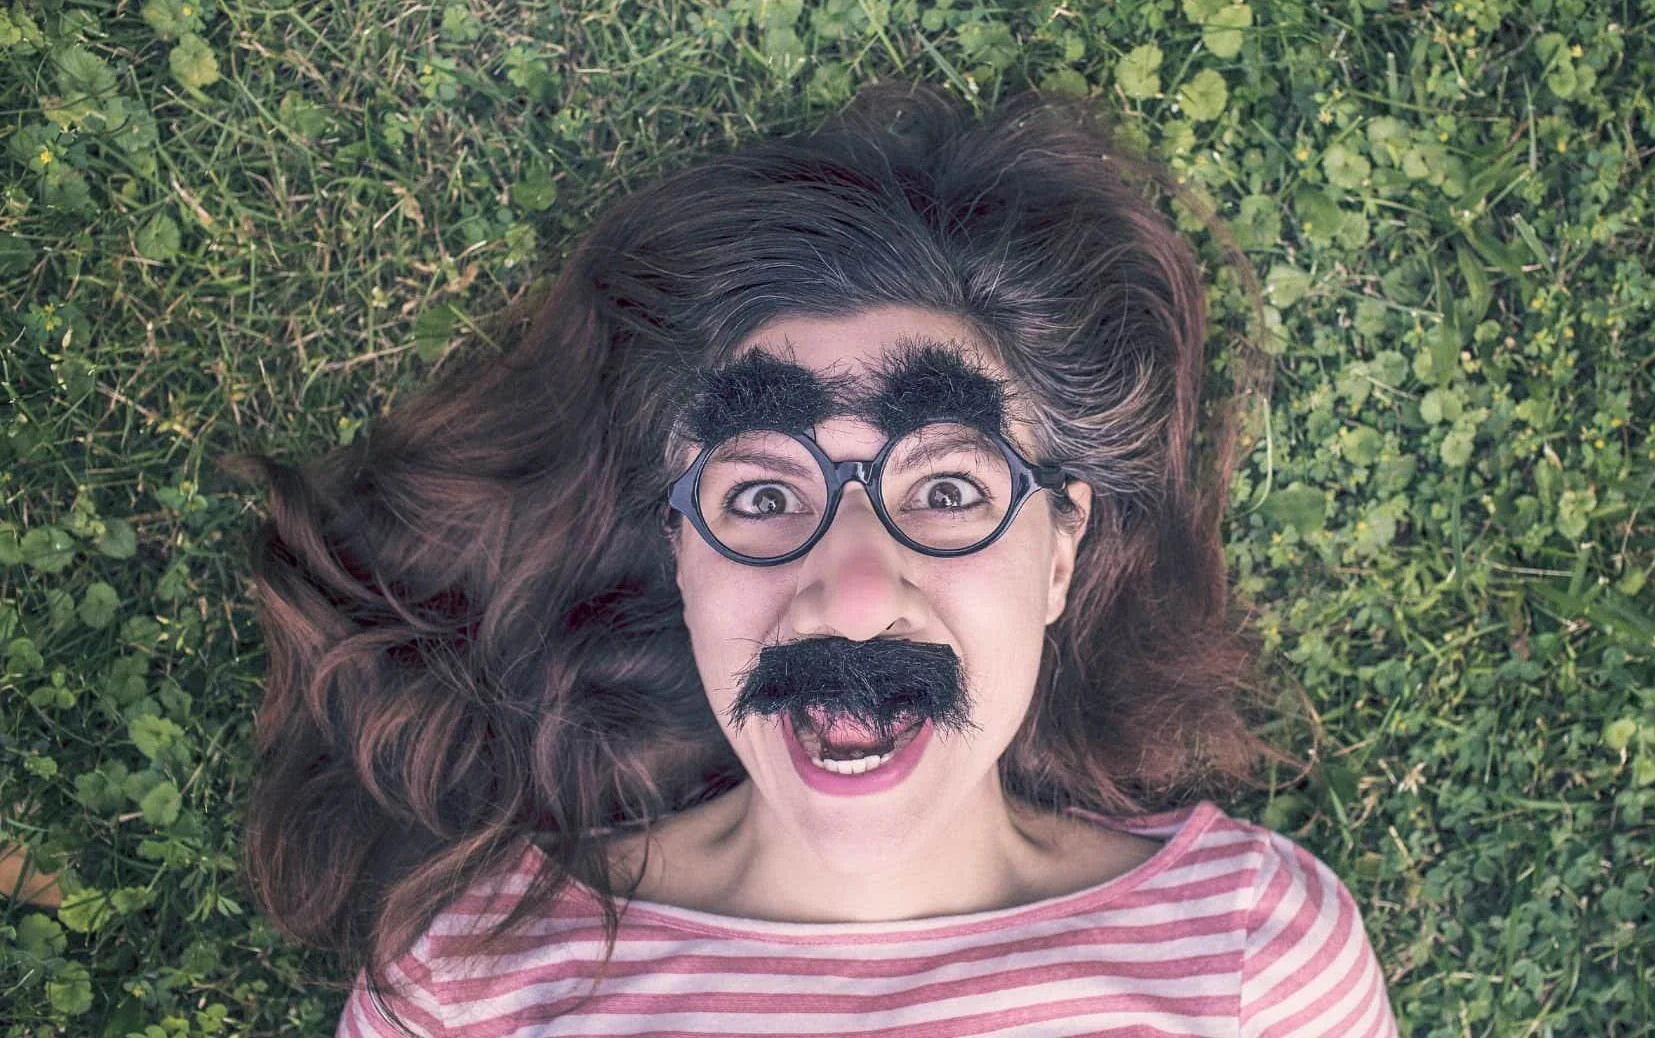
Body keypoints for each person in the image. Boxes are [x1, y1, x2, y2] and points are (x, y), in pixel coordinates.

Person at [224, 83, 1397, 1036]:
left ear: (1060, 553)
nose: (851, 591)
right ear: (679, 547)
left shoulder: (1255, 956)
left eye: (947, 489)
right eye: (765, 491)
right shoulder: (471, 984)